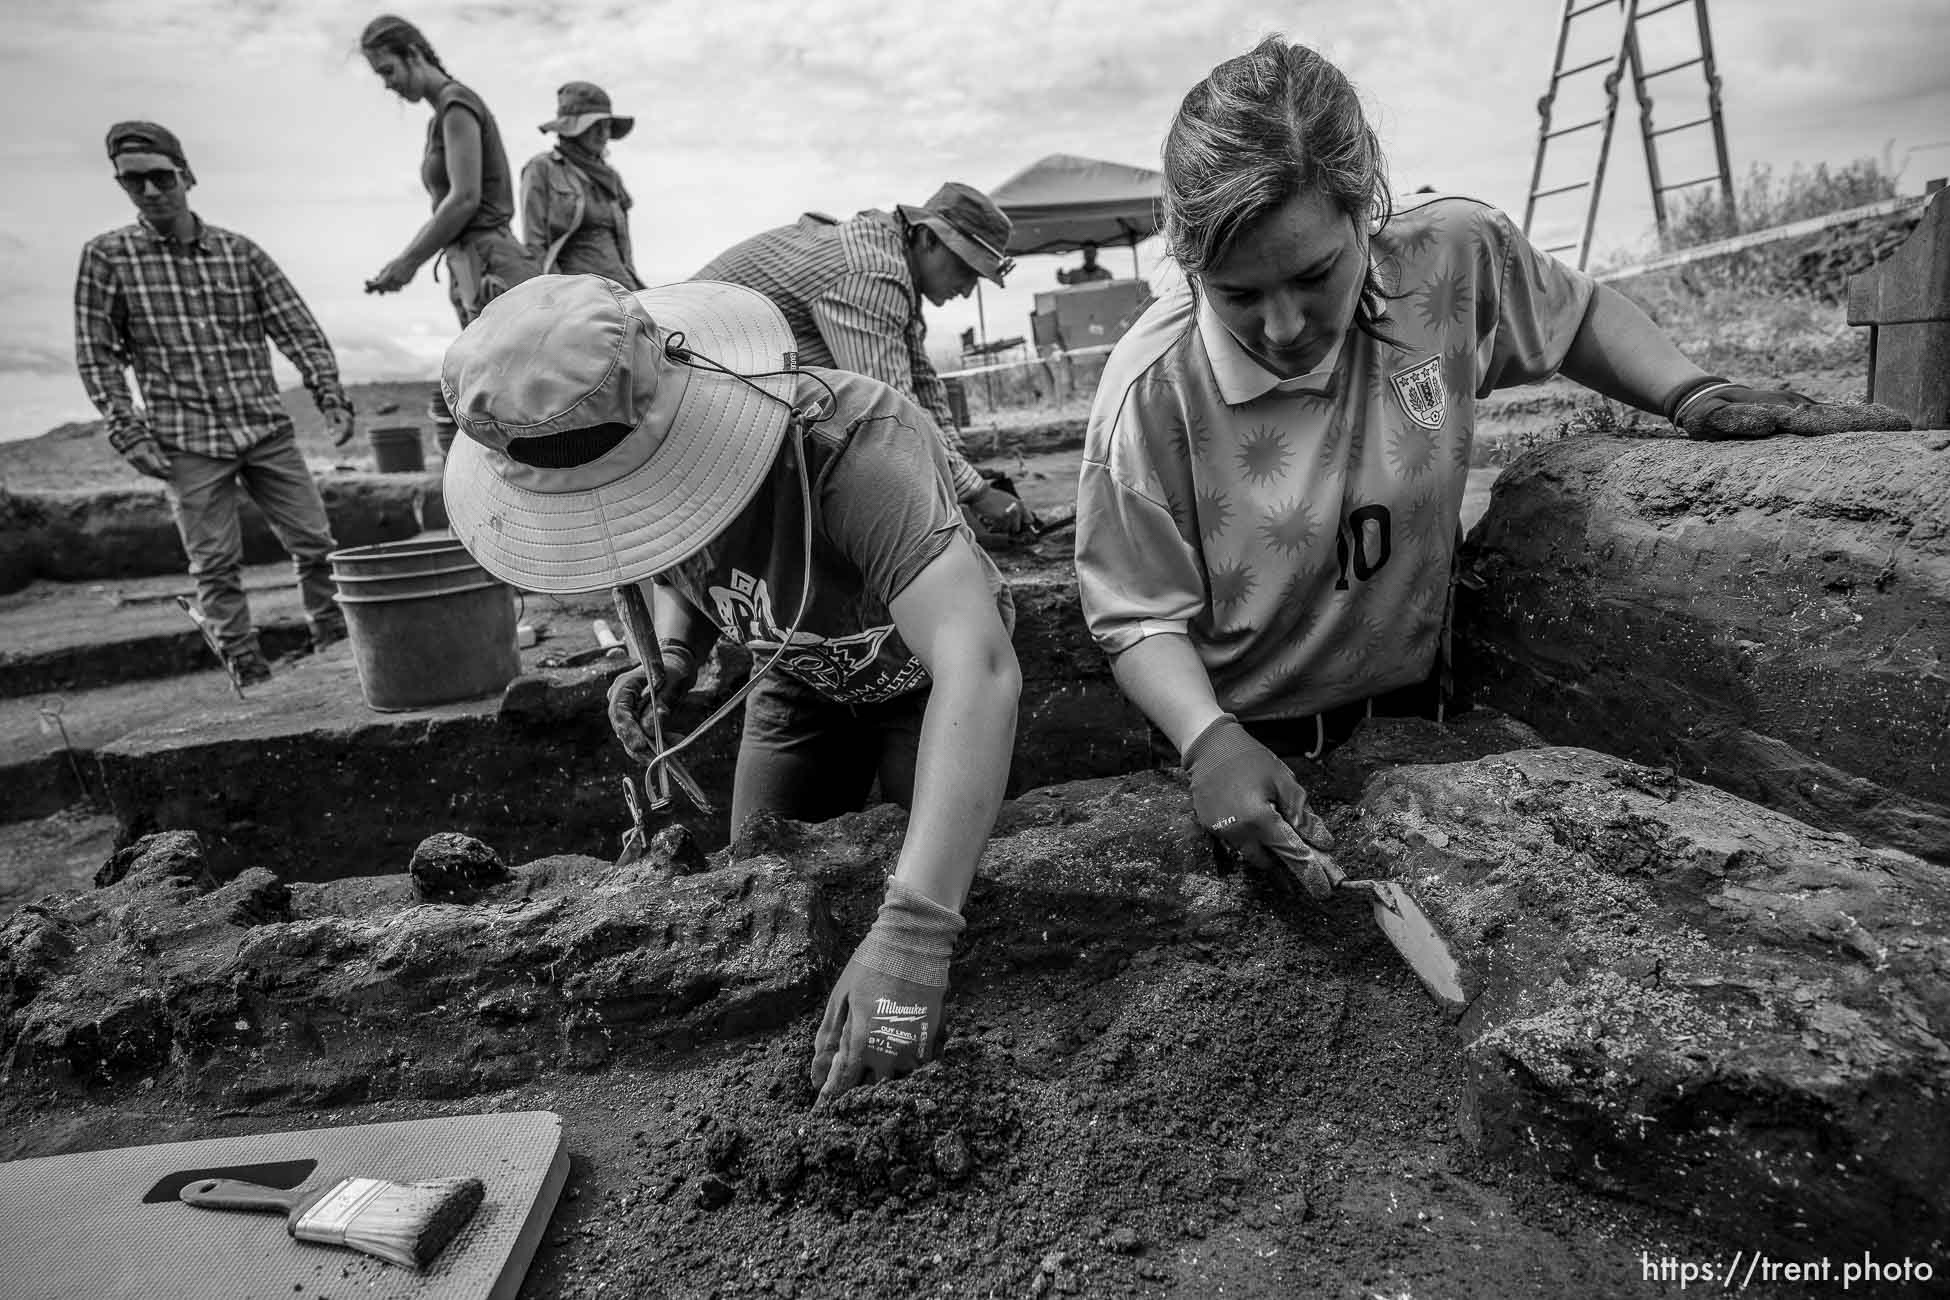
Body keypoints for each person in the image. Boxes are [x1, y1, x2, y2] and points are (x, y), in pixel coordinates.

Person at [1074, 35, 1903, 891]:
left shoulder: (1449, 260)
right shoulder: (1150, 394)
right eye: (1239, 293)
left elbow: (1572, 316)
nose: (1283, 326)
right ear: (1189, 264)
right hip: (1248, 747)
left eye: (1315, 275)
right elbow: (1137, 614)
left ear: (1367, 214)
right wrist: (1208, 742)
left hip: (1420, 713)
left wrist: (1688, 391)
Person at [439, 275, 1021, 1098]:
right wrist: (675, 659)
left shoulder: (853, 446)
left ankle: (899, 1042)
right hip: (795, 681)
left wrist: (915, 936)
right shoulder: (631, 477)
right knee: (765, 893)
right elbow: (686, 565)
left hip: (924, 687)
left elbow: (979, 665)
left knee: (951, 888)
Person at [74, 121, 355, 685]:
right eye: (135, 183)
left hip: (263, 426)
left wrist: (331, 396)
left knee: (316, 544)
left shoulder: (239, 253)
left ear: (186, 176)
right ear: (123, 186)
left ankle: (338, 646)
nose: (151, 192)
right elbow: (96, 352)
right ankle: (246, 668)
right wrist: (128, 431)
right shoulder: (108, 258)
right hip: (186, 437)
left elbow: (296, 328)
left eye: (161, 177)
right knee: (215, 565)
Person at [695, 183, 1036, 537]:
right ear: (929, 240)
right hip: (685, 396)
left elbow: (922, 384)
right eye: (966, 270)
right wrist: (976, 493)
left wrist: (967, 476)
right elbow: (892, 410)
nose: (967, 290)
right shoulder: (872, 273)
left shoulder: (893, 262)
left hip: (726, 398)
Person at [359, 14, 538, 324]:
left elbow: (465, 198)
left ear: (413, 55)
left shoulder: (457, 103)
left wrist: (408, 262)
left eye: (389, 71)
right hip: (468, 263)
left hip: (493, 264)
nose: (389, 85)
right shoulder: (439, 119)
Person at [519, 81, 643, 288]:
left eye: (606, 126)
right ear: (571, 129)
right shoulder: (542, 168)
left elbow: (624, 251)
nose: (603, 134)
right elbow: (535, 246)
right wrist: (560, 297)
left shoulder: (611, 178)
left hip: (624, 290)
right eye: (594, 126)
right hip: (579, 297)